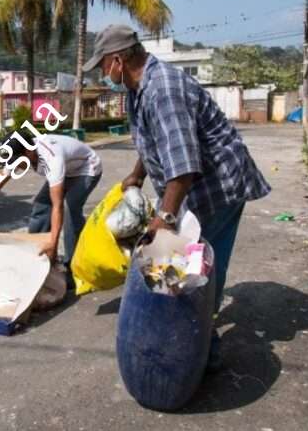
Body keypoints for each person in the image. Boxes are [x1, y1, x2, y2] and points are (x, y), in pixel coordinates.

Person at [82, 24, 271, 370]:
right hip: (192, 186)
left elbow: (183, 167)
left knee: (196, 267)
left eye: (102, 65)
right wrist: (138, 174)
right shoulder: (138, 88)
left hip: (217, 187)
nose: (102, 73)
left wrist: (164, 218)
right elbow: (156, 138)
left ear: (119, 60)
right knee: (175, 266)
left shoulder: (163, 89)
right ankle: (181, 332)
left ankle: (201, 347)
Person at [0, 131, 103, 271]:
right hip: (68, 169)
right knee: (42, 205)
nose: (17, 166)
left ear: (29, 152)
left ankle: (73, 266)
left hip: (87, 168)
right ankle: (37, 252)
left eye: (18, 162)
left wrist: (54, 243)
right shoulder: (21, 153)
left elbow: (57, 206)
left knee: (71, 209)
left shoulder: (51, 158)